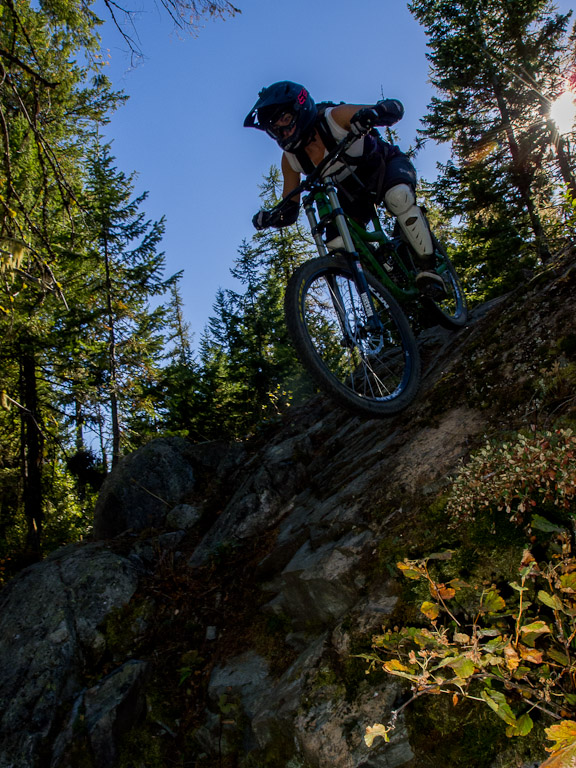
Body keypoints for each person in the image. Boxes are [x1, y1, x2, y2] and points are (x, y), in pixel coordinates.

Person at [244, 80, 446, 297]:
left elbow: (394, 108)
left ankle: (429, 269)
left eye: (285, 120)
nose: (283, 131)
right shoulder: (291, 159)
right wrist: (272, 217)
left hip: (385, 165)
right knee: (336, 243)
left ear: (300, 109)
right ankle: (385, 274)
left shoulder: (334, 118)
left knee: (398, 197)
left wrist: (374, 114)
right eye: (275, 129)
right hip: (352, 193)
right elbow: (289, 208)